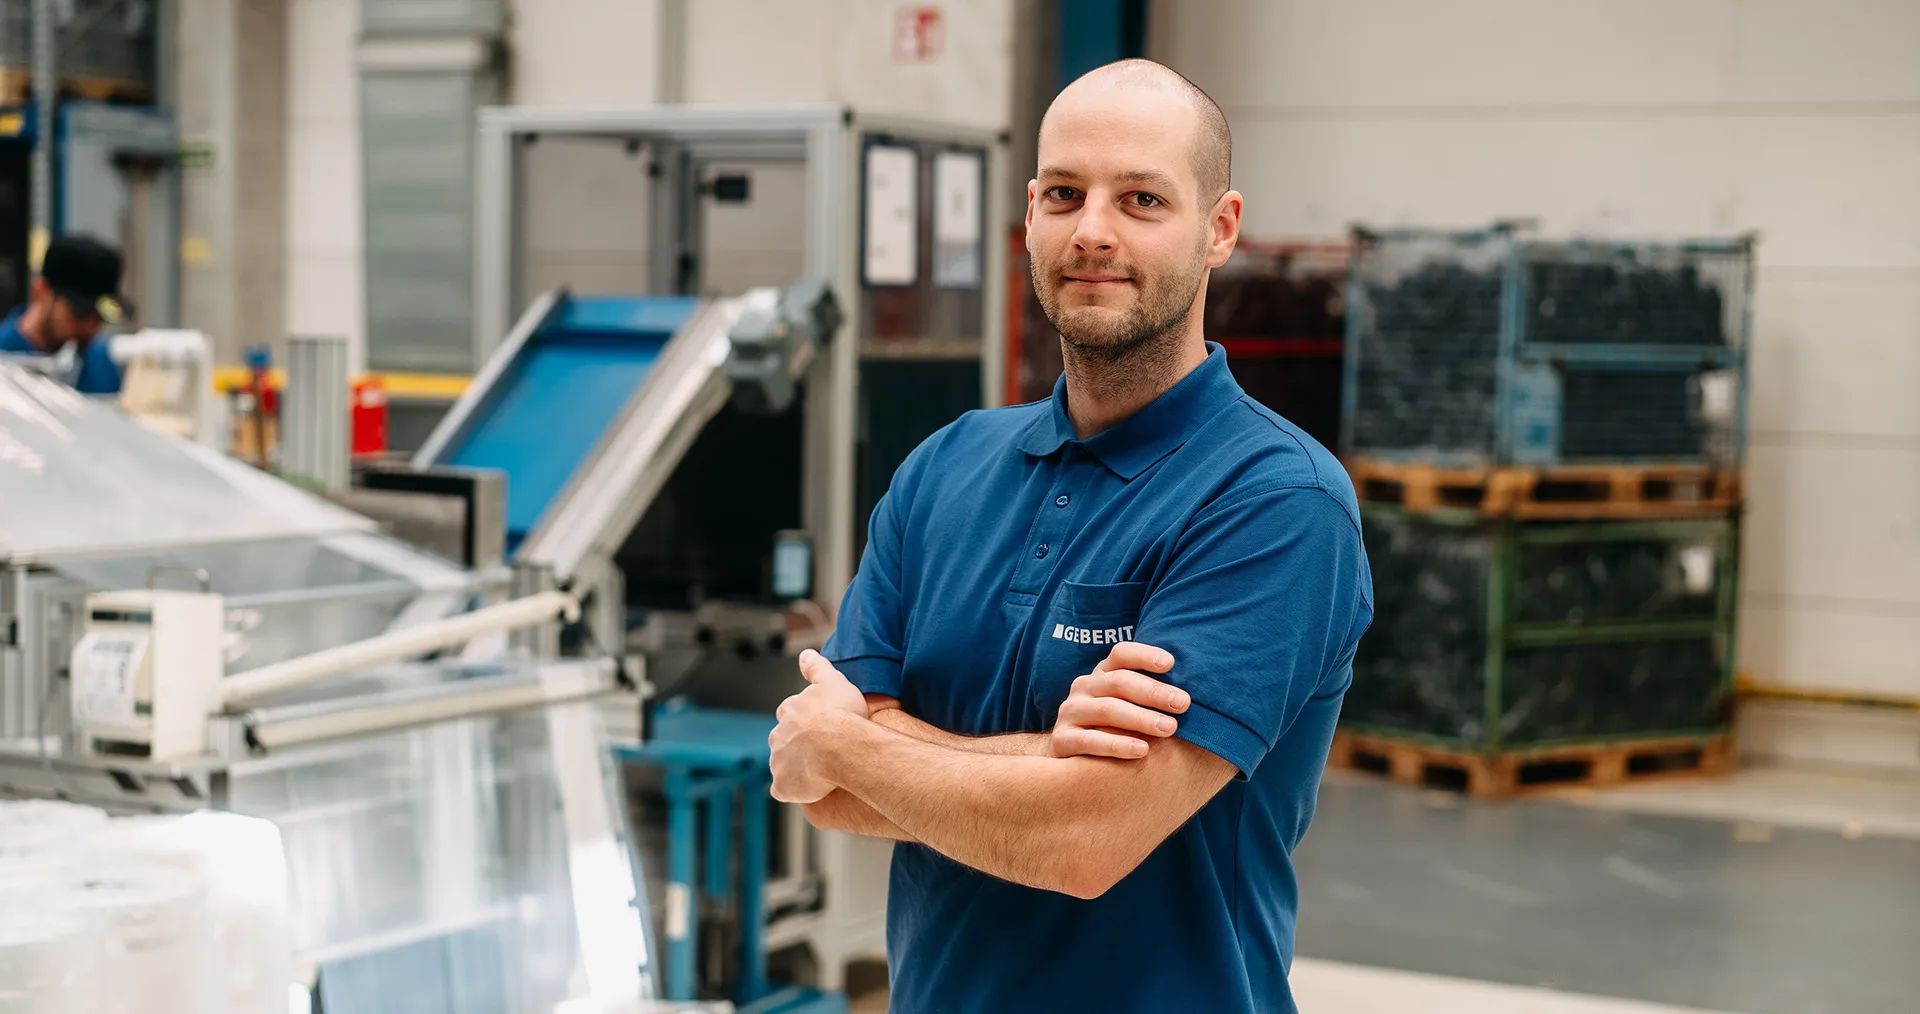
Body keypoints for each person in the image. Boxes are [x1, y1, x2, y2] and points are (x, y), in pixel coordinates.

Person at [767, 58, 1373, 1013]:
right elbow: (823, 793)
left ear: (1220, 230)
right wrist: (1052, 761)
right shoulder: (945, 467)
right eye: (1064, 193)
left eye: (1141, 199)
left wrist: (860, 745)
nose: (1093, 232)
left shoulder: (1277, 501)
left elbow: (1085, 843)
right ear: (1031, 217)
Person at [0, 234, 129, 395]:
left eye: (98, 317)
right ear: (41, 291)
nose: (89, 327)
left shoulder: (100, 363)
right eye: (80, 314)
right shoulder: (4, 356)